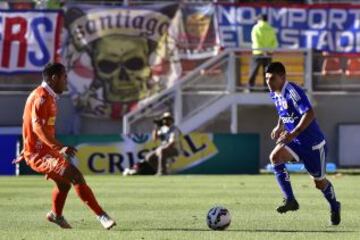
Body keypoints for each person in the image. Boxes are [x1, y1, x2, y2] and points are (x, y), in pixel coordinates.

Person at [13, 63, 116, 230]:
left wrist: (27, 146)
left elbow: (30, 125)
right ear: (54, 78)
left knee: (64, 185)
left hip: (44, 150)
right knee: (75, 175)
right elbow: (37, 128)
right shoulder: (41, 97)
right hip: (39, 154)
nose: (66, 81)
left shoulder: (49, 96)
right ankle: (101, 216)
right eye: (64, 77)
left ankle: (56, 215)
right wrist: (57, 147)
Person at [265, 62, 341, 225]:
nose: (268, 83)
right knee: (275, 157)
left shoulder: (293, 91)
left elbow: (310, 113)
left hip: (313, 144)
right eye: (266, 79)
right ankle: (290, 200)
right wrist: (280, 126)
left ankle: (335, 205)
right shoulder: (274, 93)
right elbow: (283, 110)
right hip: (295, 141)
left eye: (272, 79)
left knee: (319, 183)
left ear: (282, 77)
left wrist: (293, 133)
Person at [123, 112, 182, 176]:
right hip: (164, 149)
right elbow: (154, 139)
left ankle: (162, 172)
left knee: (161, 151)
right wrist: (156, 127)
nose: (166, 121)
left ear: (171, 120)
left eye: (168, 119)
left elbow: (172, 143)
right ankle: (159, 170)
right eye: (164, 119)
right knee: (149, 157)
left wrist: (160, 149)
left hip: (175, 150)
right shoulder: (163, 129)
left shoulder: (174, 129)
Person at [248, 14, 278, 90]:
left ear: (260, 20)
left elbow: (256, 41)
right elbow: (275, 43)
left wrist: (262, 51)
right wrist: (269, 51)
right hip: (268, 54)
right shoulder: (271, 29)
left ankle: (250, 88)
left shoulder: (256, 28)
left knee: (253, 71)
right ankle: (267, 88)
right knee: (267, 72)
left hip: (258, 53)